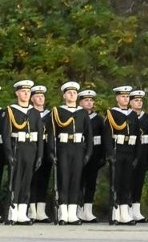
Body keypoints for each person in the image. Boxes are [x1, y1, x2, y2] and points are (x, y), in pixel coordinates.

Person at [2, 79, 44, 224]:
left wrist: (39, 155)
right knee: (15, 181)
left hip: (30, 148)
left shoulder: (34, 113)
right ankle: (12, 212)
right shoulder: (11, 111)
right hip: (17, 148)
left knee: (27, 181)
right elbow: (6, 134)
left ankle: (22, 213)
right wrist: (8, 153)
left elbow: (39, 136)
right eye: (23, 91)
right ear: (17, 93)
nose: (25, 94)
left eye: (27, 92)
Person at [52, 81, 92, 225]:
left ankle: (72, 213)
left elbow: (89, 134)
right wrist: (52, 151)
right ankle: (63, 213)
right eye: (69, 92)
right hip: (63, 147)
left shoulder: (82, 112)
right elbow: (52, 134)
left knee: (76, 180)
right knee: (64, 179)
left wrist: (88, 152)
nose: (72, 94)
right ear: (64, 95)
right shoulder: (58, 111)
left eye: (74, 93)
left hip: (78, 148)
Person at [104, 84, 140, 225]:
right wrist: (109, 154)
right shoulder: (111, 114)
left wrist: (137, 155)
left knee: (126, 182)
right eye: (123, 96)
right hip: (117, 150)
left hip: (129, 150)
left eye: (127, 97)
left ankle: (125, 212)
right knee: (116, 182)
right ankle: (115, 212)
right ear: (117, 98)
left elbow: (137, 135)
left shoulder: (133, 115)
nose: (125, 99)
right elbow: (107, 136)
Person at [77, 89, 105, 222]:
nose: (89, 102)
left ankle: (88, 210)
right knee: (78, 182)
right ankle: (77, 209)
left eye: (91, 100)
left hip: (94, 155)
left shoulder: (98, 119)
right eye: (86, 100)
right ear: (80, 102)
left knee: (91, 183)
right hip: (79, 153)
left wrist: (102, 156)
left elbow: (104, 139)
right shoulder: (77, 116)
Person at [27, 84, 53, 222]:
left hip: (46, 147)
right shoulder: (29, 113)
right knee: (32, 179)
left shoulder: (50, 114)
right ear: (32, 99)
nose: (40, 98)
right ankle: (32, 211)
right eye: (37, 96)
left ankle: (41, 211)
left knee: (44, 179)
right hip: (32, 146)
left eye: (42, 96)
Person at [129, 90, 148, 223]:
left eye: (140, 100)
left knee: (139, 182)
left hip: (143, 151)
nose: (139, 102)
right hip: (130, 151)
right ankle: (126, 208)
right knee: (128, 182)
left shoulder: (147, 117)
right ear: (131, 102)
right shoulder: (128, 116)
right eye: (136, 100)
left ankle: (136, 210)